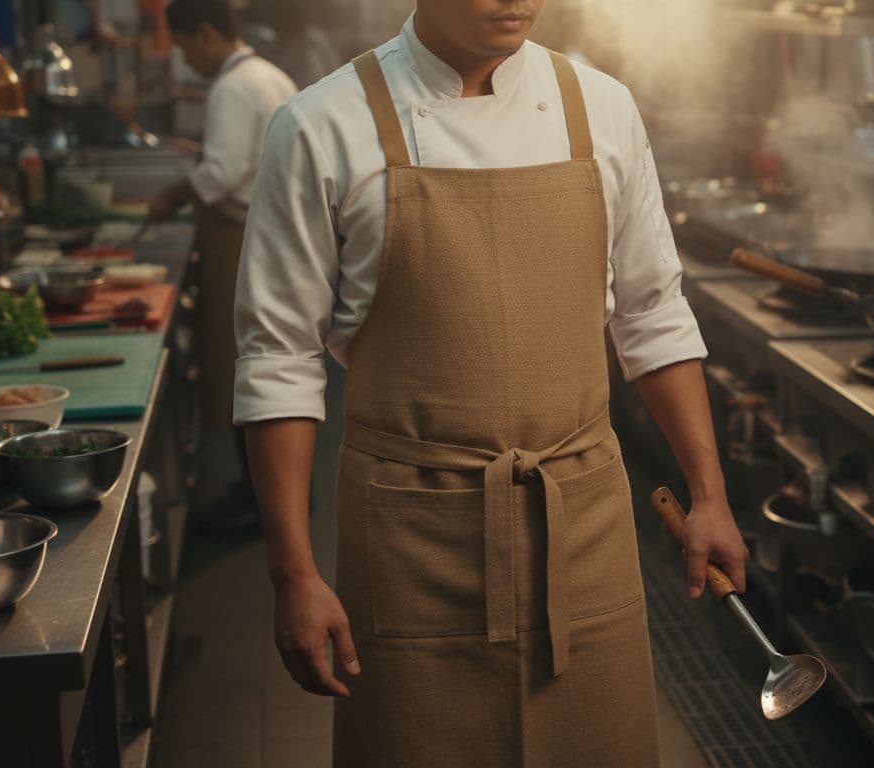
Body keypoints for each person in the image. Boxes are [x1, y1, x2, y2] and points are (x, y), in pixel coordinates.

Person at [233, 1, 749, 764]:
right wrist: (294, 572)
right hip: (412, 540)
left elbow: (652, 313)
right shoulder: (320, 124)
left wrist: (709, 494)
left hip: (582, 528)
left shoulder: (602, 109)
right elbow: (278, 358)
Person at [149, 0, 296, 532]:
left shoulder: (234, 86)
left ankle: (262, 503)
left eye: (188, 47)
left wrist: (171, 192)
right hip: (273, 238)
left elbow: (221, 171)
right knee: (269, 365)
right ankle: (268, 493)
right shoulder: (270, 76)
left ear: (208, 34)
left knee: (244, 371)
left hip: (239, 238)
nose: (189, 61)